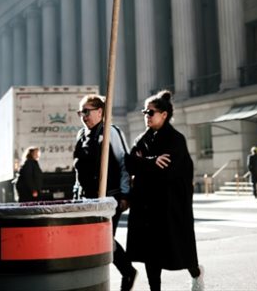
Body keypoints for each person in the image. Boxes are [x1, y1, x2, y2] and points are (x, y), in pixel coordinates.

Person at [125, 90, 204, 291]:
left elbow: (166, 171)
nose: (146, 116)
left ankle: (196, 273)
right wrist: (150, 162)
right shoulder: (142, 138)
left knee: (180, 250)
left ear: (164, 115)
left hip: (171, 207)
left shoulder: (176, 139)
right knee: (150, 255)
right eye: (144, 112)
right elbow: (130, 163)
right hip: (146, 206)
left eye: (150, 112)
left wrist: (143, 163)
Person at [73, 94, 137, 291]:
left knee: (105, 238)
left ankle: (127, 272)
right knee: (92, 239)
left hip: (110, 196)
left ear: (100, 111)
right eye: (80, 112)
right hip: (87, 198)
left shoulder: (111, 132)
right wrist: (76, 194)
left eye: (87, 111)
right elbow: (78, 170)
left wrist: (126, 194)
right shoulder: (81, 135)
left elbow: (124, 163)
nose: (83, 116)